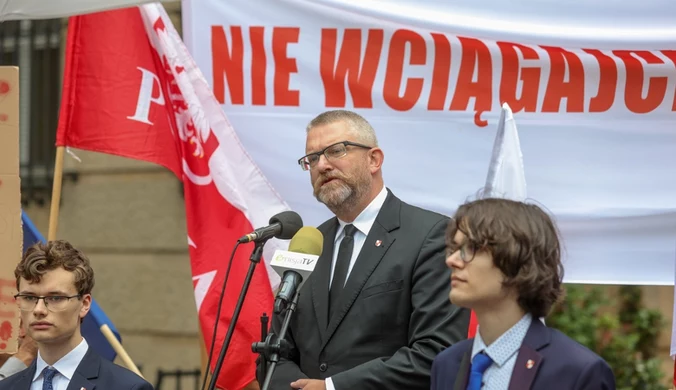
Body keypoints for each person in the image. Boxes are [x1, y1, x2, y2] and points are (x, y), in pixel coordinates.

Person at [260, 110, 470, 390]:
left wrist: (332, 387)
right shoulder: (309, 243)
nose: (322, 165)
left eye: (336, 151)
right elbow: (276, 353)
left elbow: (437, 352)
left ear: (374, 159)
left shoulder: (431, 235)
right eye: (312, 158)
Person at [430, 198, 615, 389]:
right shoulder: (445, 365)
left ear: (518, 259)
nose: (451, 260)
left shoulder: (577, 371)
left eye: (472, 247)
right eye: (453, 249)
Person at [0, 239, 153, 390]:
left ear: (85, 304)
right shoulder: (7, 386)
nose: (39, 309)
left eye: (55, 298)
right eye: (29, 297)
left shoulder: (127, 387)